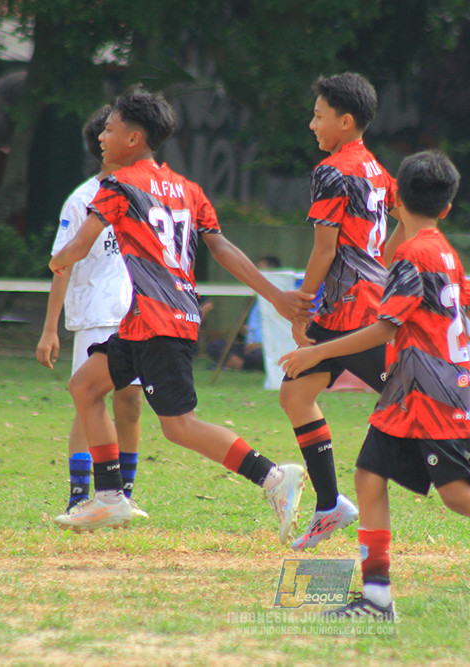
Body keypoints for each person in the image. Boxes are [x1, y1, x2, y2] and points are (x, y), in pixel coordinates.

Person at [279, 150, 470, 621]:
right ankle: (377, 598)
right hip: (412, 390)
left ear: (396, 198)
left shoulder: (415, 256)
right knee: (367, 476)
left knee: (458, 496)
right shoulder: (442, 250)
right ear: (446, 208)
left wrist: (315, 352)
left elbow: (385, 327)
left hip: (431, 393)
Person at [49, 85, 314, 543]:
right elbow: (223, 248)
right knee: (85, 386)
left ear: (134, 139)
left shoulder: (119, 186)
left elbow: (77, 246)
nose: (102, 138)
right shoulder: (189, 189)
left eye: (109, 131)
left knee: (179, 427)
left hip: (158, 321)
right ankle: (110, 497)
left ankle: (273, 477)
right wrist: (273, 294)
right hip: (149, 320)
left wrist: (56, 262)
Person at [280, 72, 470, 552]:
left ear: (345, 121)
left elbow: (324, 251)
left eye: (318, 115)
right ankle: (330, 504)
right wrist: (383, 264)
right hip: (349, 307)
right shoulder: (374, 167)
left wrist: (299, 306)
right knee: (296, 396)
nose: (312, 124)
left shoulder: (331, 171)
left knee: (417, 401)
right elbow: (403, 221)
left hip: (352, 313)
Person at [36, 105, 145, 516]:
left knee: (131, 402)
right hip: (96, 315)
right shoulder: (82, 200)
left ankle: (124, 495)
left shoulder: (145, 194)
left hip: (136, 316)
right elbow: (62, 263)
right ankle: (81, 495)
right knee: (90, 401)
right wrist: (50, 329)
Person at [205, 256, 280, 371]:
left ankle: (238, 366)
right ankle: (242, 365)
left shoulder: (279, 296)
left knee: (258, 356)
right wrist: (243, 329)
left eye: (261, 269)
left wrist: (260, 345)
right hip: (247, 347)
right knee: (215, 346)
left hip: (265, 348)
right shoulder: (253, 297)